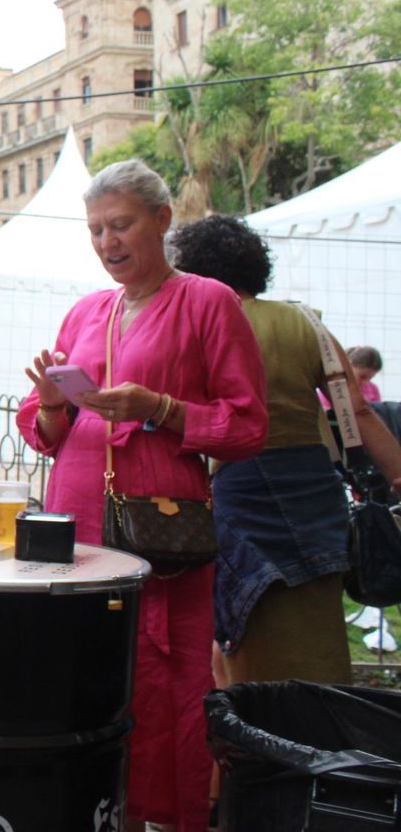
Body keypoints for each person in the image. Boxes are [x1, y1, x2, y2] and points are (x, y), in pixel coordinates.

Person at [18, 161, 267, 832]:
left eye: (121, 224)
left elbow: (247, 424)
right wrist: (57, 404)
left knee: (173, 699)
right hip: (81, 540)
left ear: (163, 219)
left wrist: (158, 406)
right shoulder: (87, 310)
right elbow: (46, 431)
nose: (107, 241)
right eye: (96, 229)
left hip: (164, 545)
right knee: (100, 696)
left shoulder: (209, 303)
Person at [168, 216, 401, 684]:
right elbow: (356, 408)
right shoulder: (304, 321)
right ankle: (322, 735)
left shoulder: (202, 323)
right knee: (317, 617)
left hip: (240, 483)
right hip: (313, 485)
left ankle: (249, 741)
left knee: (242, 617)